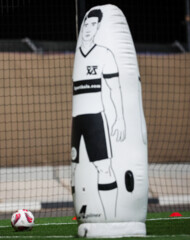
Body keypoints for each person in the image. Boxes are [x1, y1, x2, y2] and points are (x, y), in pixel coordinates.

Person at [71, 9, 126, 220]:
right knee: (75, 169)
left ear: (98, 28)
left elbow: (115, 88)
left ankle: (110, 218)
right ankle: (82, 214)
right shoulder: (76, 57)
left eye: (93, 24)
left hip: (95, 118)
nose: (88, 28)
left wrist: (120, 118)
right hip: (77, 120)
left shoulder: (104, 54)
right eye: (86, 24)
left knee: (104, 167)